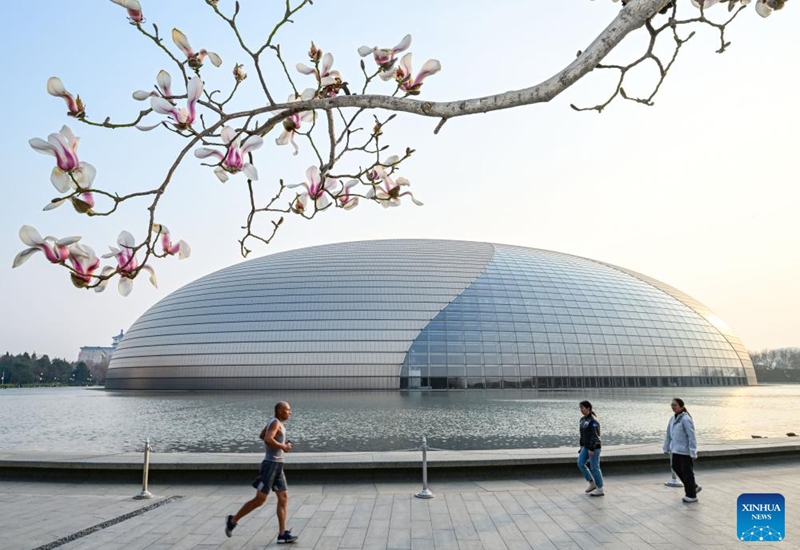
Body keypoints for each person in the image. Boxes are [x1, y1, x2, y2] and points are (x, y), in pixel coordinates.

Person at [225, 401, 298, 543]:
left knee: (283, 498)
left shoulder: (274, 422)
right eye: (288, 410)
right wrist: (283, 446)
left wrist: (280, 445)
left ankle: (282, 534)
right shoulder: (275, 422)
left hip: (278, 466)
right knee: (260, 499)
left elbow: (262, 435)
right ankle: (232, 521)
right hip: (270, 465)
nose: (290, 412)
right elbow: (267, 439)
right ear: (279, 411)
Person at [662, 397, 701, 503]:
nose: (673, 407)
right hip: (675, 450)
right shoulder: (673, 419)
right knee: (675, 467)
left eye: (675, 405)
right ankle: (694, 487)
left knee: (687, 472)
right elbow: (668, 434)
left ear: (681, 407)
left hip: (685, 451)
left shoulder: (686, 419)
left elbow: (691, 436)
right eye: (672, 405)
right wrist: (666, 447)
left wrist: (693, 451)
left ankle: (691, 495)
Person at [577, 400, 604, 497]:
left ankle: (600, 488)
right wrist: (581, 447)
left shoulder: (593, 421)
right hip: (585, 447)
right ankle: (592, 483)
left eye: (582, 408)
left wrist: (591, 449)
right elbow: (582, 435)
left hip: (594, 447)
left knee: (594, 467)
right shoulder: (582, 420)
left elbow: (595, 436)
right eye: (580, 408)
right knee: (580, 463)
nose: (581, 410)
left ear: (588, 408)